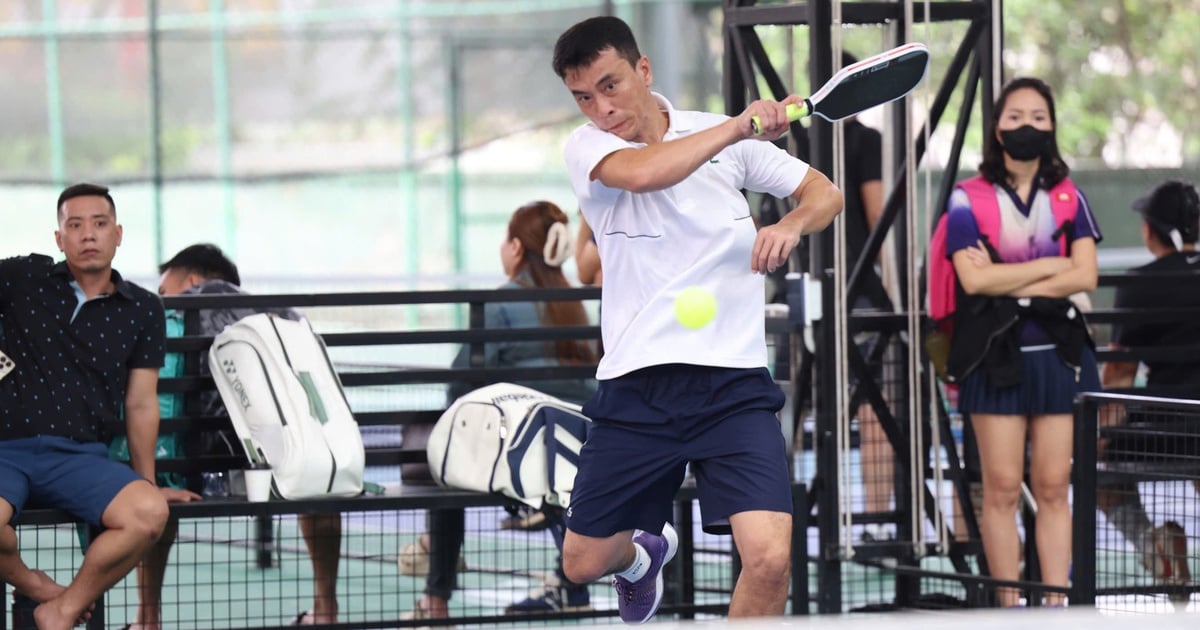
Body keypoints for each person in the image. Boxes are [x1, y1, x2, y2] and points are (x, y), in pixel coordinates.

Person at [552, 16, 843, 623]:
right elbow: (648, 171)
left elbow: (824, 193)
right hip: (637, 385)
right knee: (581, 561)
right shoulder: (588, 147)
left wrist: (789, 224)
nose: (601, 108)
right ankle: (639, 559)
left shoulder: (721, 137)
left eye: (610, 86)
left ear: (644, 70)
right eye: (584, 96)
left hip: (732, 385)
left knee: (769, 559)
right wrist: (741, 126)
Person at [942, 77, 1102, 607]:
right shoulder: (968, 198)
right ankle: (1008, 610)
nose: (1026, 126)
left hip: (1059, 357)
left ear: (1052, 125)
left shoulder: (1069, 195)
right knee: (1003, 488)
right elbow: (973, 282)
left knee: (1055, 488)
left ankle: (1057, 606)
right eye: (1014, 117)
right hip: (994, 358)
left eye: (1038, 116)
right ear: (996, 128)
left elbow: (1086, 276)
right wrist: (1052, 267)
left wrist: (1010, 275)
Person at [402, 200, 600, 621]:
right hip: (578, 446)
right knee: (555, 471)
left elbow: (460, 384)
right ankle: (570, 588)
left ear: (514, 247)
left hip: (520, 454)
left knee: (447, 464)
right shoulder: (577, 302)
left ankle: (435, 600)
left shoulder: (500, 303)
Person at [133, 243, 343, 627]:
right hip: (283, 467)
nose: (162, 298)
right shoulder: (284, 316)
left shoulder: (170, 317)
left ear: (192, 280)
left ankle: (147, 619)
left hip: (190, 470)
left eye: (165, 290)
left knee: (155, 484)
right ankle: (326, 609)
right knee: (319, 485)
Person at [0, 183, 171, 630]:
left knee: (150, 514)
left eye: (99, 224)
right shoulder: (22, 280)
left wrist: (146, 480)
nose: (88, 235)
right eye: (74, 225)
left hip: (80, 457)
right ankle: (36, 586)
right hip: (6, 450)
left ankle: (63, 608)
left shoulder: (144, 308)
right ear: (59, 239)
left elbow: (140, 402)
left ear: (118, 233)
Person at [1098, 179, 1200, 594]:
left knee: (1097, 474)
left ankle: (1149, 543)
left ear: (1148, 230)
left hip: (1162, 426)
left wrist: (1095, 441)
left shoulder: (1139, 283)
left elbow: (1119, 375)